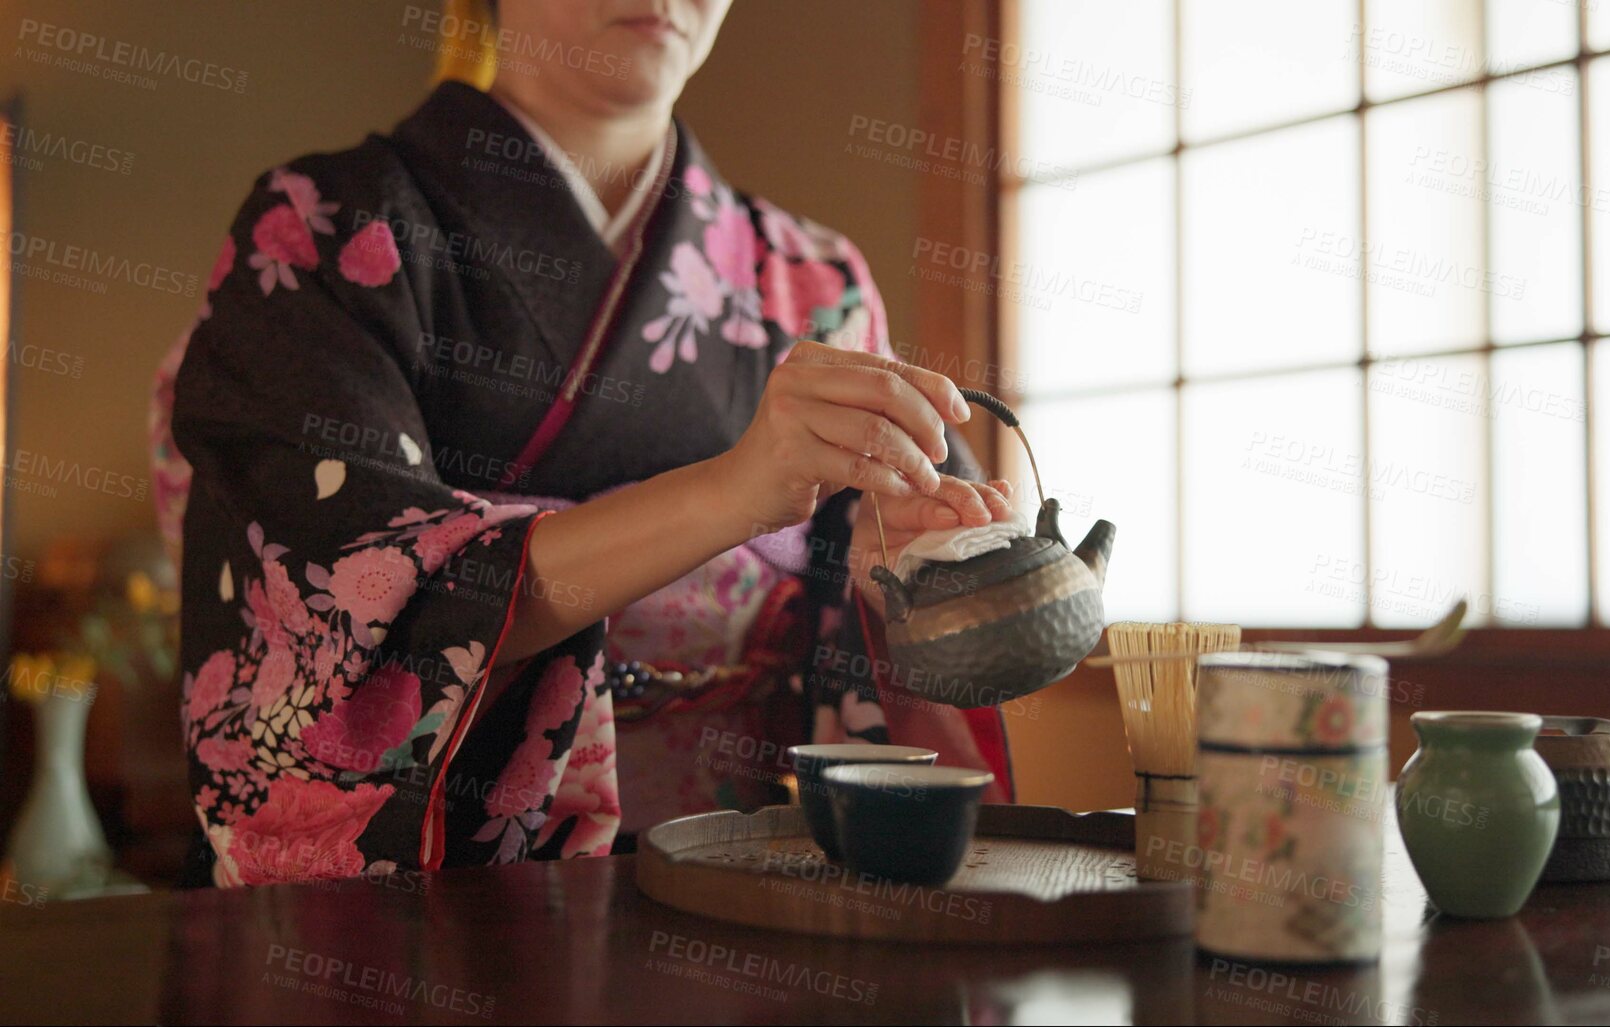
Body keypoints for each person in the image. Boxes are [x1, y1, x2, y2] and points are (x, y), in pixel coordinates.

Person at [148, 0, 1016, 886]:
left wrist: (902, 564)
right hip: (464, 880)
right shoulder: (324, 226)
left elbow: (921, 577)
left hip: (752, 867)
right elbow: (345, 596)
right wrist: (734, 494)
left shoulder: (812, 278)